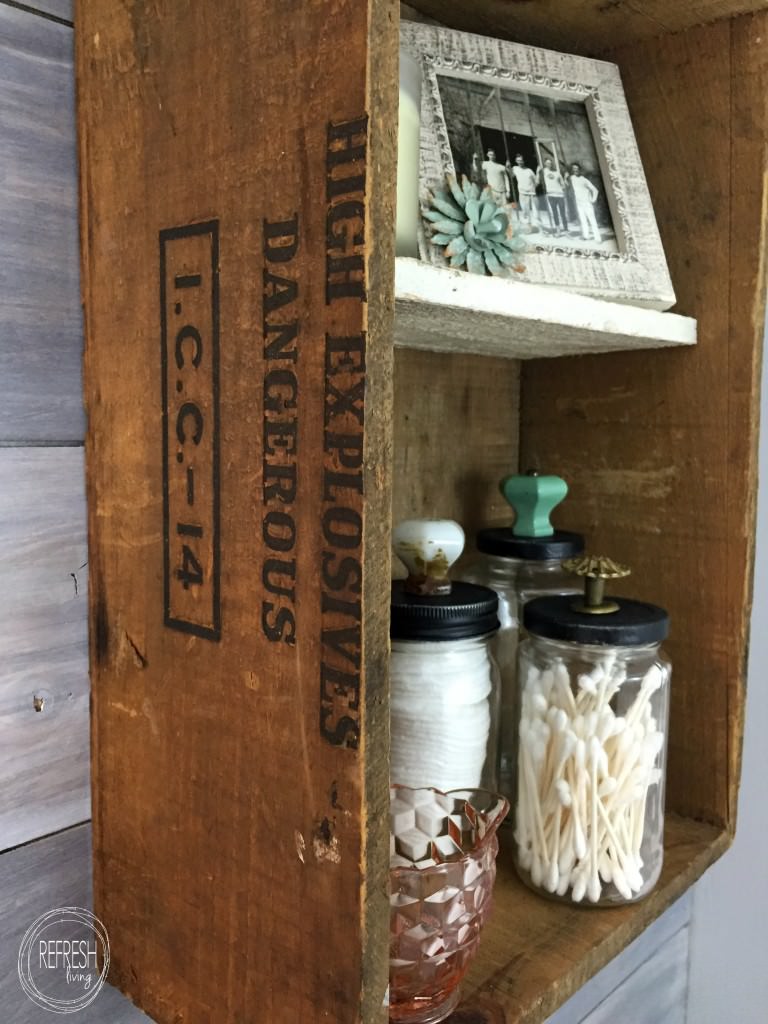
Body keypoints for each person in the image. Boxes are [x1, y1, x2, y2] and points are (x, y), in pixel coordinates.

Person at [568, 162, 601, 243]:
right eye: (574, 169)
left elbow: (595, 190)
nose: (575, 170)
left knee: (592, 220)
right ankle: (586, 236)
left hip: (587, 203)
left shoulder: (584, 180)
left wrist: (593, 199)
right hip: (579, 204)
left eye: (577, 169)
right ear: (572, 170)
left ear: (580, 170)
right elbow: (568, 183)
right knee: (583, 220)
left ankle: (598, 238)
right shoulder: (571, 178)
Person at [538, 157, 568, 236]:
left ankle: (566, 230)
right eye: (547, 163)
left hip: (559, 194)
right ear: (545, 164)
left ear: (552, 164)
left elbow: (563, 185)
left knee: (563, 213)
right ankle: (558, 230)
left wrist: (565, 179)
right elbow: (538, 181)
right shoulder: (543, 172)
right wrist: (537, 172)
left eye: (550, 163)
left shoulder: (557, 172)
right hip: (551, 195)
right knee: (554, 213)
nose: (549, 164)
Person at [510, 154, 539, 231]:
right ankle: (529, 227)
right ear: (516, 161)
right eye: (518, 160)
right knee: (525, 211)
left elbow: (536, 181)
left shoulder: (529, 170)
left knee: (536, 211)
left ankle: (540, 228)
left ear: (523, 161)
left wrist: (538, 173)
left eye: (521, 160)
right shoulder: (515, 168)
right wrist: (507, 167)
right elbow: (511, 176)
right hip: (523, 193)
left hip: (532, 193)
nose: (520, 162)